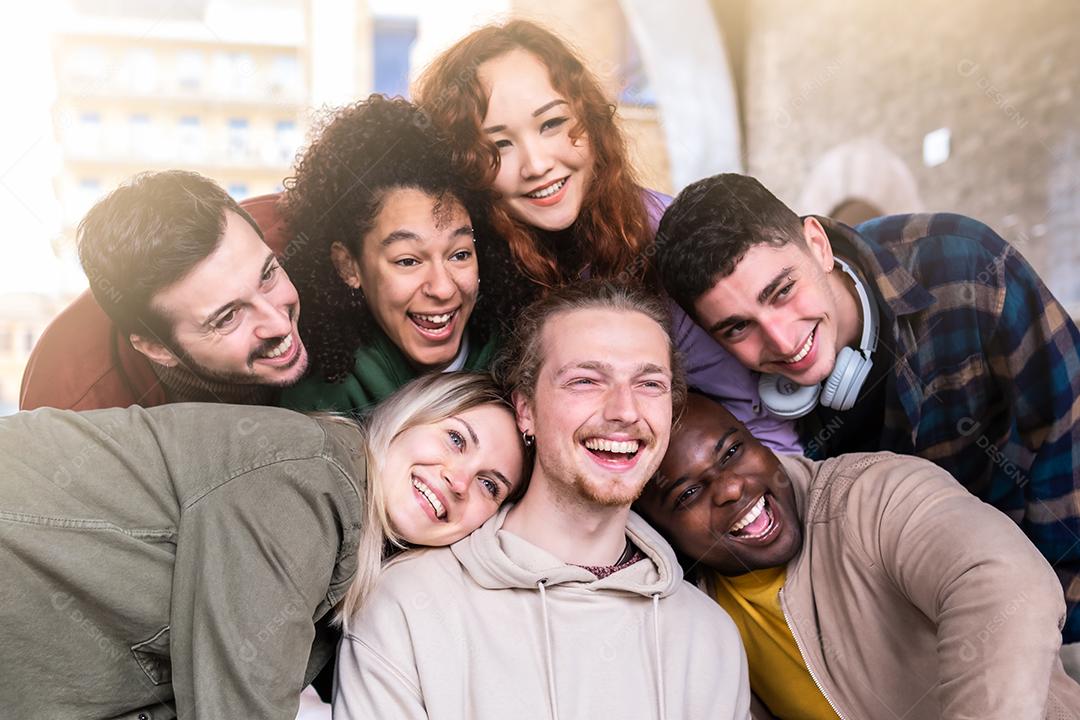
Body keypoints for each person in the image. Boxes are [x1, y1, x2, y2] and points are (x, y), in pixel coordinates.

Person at [654, 172, 1080, 650]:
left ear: (816, 244)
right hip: (903, 640)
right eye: (737, 328)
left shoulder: (965, 263)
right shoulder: (746, 410)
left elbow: (1069, 430)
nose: (782, 340)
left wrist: (1047, 616)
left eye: (781, 292)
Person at [0, 372, 525, 719]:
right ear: (407, 417)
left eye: (489, 485)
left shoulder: (341, 574)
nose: (459, 480)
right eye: (456, 439)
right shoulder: (314, 475)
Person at [334, 282, 750, 720]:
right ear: (526, 409)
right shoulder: (407, 602)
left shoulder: (712, 639)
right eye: (586, 380)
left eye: (649, 383)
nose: (625, 411)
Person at [413, 19, 799, 454]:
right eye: (499, 146)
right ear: (462, 165)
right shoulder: (459, 262)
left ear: (591, 120)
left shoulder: (664, 237)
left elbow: (760, 425)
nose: (537, 164)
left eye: (553, 123)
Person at [635, 392, 1080, 719]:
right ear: (659, 532)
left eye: (733, 451)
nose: (731, 487)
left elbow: (1004, 582)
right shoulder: (700, 619)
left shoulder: (872, 493)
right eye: (688, 492)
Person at [278, 94, 525, 414]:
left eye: (460, 254)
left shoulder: (519, 358)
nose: (444, 288)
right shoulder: (323, 398)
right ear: (348, 266)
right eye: (408, 260)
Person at [20, 172, 307, 410]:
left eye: (268, 275)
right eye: (228, 317)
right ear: (156, 348)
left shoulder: (308, 223)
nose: (280, 324)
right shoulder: (75, 406)